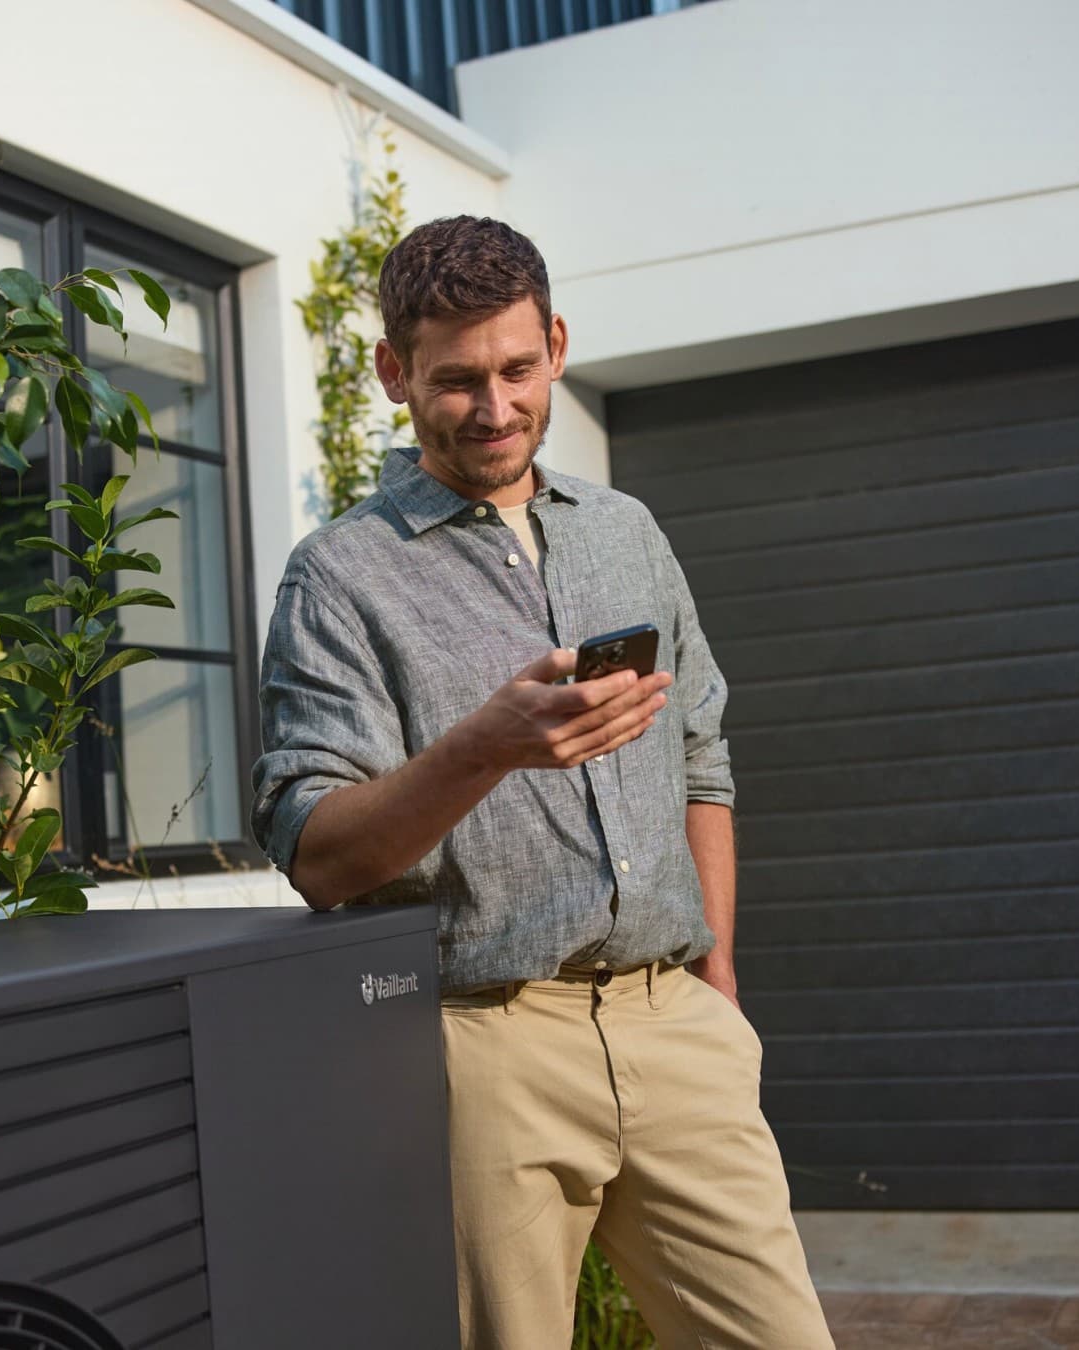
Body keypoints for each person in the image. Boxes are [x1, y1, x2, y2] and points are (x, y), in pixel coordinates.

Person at [250, 215, 834, 1350]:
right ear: (394, 372)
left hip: (676, 1024)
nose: (495, 407)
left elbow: (700, 755)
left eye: (518, 369)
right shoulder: (340, 577)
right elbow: (317, 856)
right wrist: (483, 748)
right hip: (488, 1049)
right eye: (456, 380)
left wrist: (717, 981)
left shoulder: (628, 531)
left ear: (557, 345)